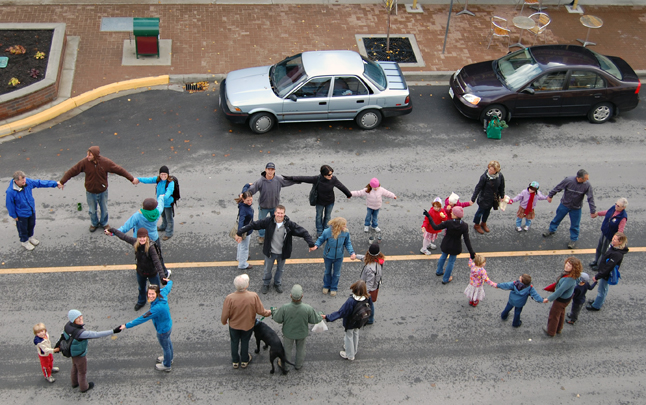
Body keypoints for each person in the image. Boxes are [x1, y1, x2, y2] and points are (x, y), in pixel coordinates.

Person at [235, 205, 315, 294]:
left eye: (282, 213)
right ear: (275, 213)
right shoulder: (268, 221)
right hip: (270, 252)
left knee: (280, 270)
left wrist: (311, 244)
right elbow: (254, 225)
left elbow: (303, 232)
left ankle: (277, 283)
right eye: (278, 213)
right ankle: (266, 284)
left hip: (282, 253)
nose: (280, 215)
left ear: (284, 214)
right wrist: (239, 232)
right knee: (267, 270)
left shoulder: (289, 225)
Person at [59, 146, 136, 232]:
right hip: (90, 192)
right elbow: (72, 171)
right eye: (87, 154)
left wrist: (131, 179)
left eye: (89, 155)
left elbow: (119, 170)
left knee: (104, 209)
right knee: (92, 210)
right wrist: (62, 182)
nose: (87, 156)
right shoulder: (84, 162)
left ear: (95, 156)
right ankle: (94, 223)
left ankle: (104, 223)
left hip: (103, 191)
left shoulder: (105, 162)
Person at [105, 227, 167, 311]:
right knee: (141, 288)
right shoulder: (135, 242)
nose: (142, 239)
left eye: (144, 237)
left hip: (152, 273)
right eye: (140, 237)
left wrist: (162, 276)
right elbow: (123, 236)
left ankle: (158, 304)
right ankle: (141, 301)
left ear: (147, 237)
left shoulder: (151, 248)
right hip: (140, 272)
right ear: (137, 238)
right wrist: (112, 230)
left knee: (156, 290)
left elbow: (157, 262)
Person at [119, 279, 174, 372]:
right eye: (149, 293)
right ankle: (169, 358)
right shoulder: (162, 293)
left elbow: (142, 318)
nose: (150, 296)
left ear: (156, 293)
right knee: (168, 343)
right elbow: (168, 287)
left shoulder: (157, 308)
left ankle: (167, 365)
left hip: (162, 330)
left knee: (165, 347)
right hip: (168, 326)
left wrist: (126, 325)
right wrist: (169, 281)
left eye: (152, 294)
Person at [284, 165, 352, 237]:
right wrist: (291, 178)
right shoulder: (317, 179)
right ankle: (319, 231)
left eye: (332, 173)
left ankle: (326, 230)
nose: (331, 176)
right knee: (319, 216)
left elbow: (341, 186)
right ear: (323, 175)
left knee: (327, 216)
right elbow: (303, 178)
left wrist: (348, 194)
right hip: (319, 202)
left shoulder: (333, 179)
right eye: (329, 174)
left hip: (330, 201)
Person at [221, 274, 272, 369]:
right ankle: (244, 360)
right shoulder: (253, 296)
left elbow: (225, 314)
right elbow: (261, 311)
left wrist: (224, 321)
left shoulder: (230, 298)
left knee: (234, 342)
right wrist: (269, 312)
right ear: (246, 285)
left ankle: (235, 361)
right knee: (245, 341)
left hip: (234, 325)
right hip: (248, 325)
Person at [64, 309, 121, 393]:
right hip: (80, 354)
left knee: (74, 367)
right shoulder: (80, 333)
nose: (80, 318)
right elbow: (96, 334)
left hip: (72, 352)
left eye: (80, 316)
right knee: (82, 372)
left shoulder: (68, 326)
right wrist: (113, 331)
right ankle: (84, 387)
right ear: (73, 320)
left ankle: (74, 383)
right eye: (77, 318)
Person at [271, 284, 323, 371]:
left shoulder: (285, 308)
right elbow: (315, 319)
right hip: (302, 333)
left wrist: (273, 311)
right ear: (302, 296)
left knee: (287, 350)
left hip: (288, 333)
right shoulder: (307, 308)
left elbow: (278, 318)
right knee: (301, 349)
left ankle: (286, 366)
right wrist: (320, 314)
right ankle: (298, 365)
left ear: (290, 295)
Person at [6, 170, 60, 250]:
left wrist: (55, 184)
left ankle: (30, 237)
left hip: (31, 210)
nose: (24, 181)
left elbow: (39, 183)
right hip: (21, 214)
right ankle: (24, 241)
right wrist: (14, 215)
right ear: (16, 181)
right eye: (22, 180)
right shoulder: (10, 191)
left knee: (31, 224)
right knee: (22, 229)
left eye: (24, 178)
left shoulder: (27, 182)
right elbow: (9, 204)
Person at [243, 162, 296, 244]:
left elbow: (289, 181)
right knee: (261, 222)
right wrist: (243, 194)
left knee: (276, 221)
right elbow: (251, 191)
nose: (270, 171)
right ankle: (262, 236)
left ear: (274, 170)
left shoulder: (278, 179)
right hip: (263, 207)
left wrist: (299, 180)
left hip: (275, 206)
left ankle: (274, 235)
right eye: (269, 169)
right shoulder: (260, 181)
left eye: (272, 169)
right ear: (265, 170)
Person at [542, 169, 597, 249]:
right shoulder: (568, 180)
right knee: (557, 218)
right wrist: (550, 196)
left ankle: (573, 239)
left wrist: (593, 211)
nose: (588, 179)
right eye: (586, 178)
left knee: (575, 225)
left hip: (576, 208)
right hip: (564, 205)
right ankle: (551, 230)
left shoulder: (587, 185)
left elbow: (590, 198)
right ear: (580, 178)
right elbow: (558, 187)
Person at [322, 280, 372, 361]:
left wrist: (327, 317)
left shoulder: (351, 301)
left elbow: (341, 313)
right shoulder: (368, 297)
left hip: (350, 322)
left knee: (349, 336)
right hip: (360, 321)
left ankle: (350, 354)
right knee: (356, 333)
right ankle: (354, 350)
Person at [424, 206, 476, 285]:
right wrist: (471, 252)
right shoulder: (464, 226)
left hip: (446, 244)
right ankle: (445, 279)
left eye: (452, 212)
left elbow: (435, 227)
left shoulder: (448, 223)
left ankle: (439, 271)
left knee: (443, 257)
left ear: (455, 215)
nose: (451, 213)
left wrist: (428, 216)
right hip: (455, 246)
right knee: (451, 262)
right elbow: (466, 240)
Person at [312, 217, 356, 297]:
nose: (345, 227)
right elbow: (320, 239)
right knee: (327, 272)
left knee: (336, 273)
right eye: (343, 225)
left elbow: (348, 243)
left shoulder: (345, 232)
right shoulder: (327, 232)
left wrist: (352, 252)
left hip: (339, 256)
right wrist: (316, 246)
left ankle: (333, 287)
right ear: (338, 226)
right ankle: (326, 285)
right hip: (328, 256)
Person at [587, 232, 629, 312]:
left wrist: (597, 276)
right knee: (604, 289)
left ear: (620, 242)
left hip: (606, 275)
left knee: (601, 290)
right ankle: (598, 301)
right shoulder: (615, 248)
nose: (612, 240)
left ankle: (596, 306)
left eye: (615, 240)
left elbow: (608, 267)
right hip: (606, 273)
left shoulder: (616, 254)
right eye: (613, 238)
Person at [543, 257, 582, 337]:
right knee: (561, 312)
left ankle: (551, 331)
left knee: (554, 315)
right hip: (567, 298)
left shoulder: (568, 280)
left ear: (573, 268)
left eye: (569, 265)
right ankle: (558, 328)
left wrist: (549, 299)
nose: (566, 266)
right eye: (567, 264)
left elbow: (559, 291)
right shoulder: (575, 276)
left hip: (561, 300)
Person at [136, 165, 176, 240]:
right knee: (163, 215)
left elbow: (169, 192)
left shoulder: (171, 182)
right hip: (160, 204)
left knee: (169, 218)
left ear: (168, 174)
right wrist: (138, 179)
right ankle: (163, 226)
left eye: (165, 174)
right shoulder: (158, 179)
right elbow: (148, 180)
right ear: (159, 174)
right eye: (161, 174)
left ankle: (169, 233)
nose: (163, 176)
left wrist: (163, 197)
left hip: (168, 204)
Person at [590, 198, 627, 270]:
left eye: (618, 206)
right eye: (616, 204)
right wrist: (598, 214)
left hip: (610, 235)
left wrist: (616, 239)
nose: (616, 206)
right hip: (604, 231)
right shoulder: (614, 208)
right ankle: (596, 261)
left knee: (604, 251)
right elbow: (607, 212)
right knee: (599, 247)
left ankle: (599, 265)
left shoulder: (622, 217)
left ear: (623, 207)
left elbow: (620, 230)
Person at [471, 160, 505, 234]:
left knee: (487, 212)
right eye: (489, 168)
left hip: (492, 199)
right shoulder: (484, 177)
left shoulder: (500, 176)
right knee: (480, 212)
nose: (489, 170)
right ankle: (477, 225)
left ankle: (483, 223)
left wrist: (502, 196)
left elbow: (502, 187)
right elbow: (478, 188)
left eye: (491, 170)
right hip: (483, 199)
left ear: (496, 170)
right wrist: (473, 199)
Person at [356, 243, 384, 324]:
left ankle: (369, 319)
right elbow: (365, 259)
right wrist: (356, 256)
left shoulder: (370, 268)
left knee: (367, 304)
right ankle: (370, 318)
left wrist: (365, 293)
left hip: (369, 289)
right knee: (369, 304)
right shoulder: (379, 260)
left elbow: (369, 283)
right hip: (375, 286)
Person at [235, 190, 254, 270]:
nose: (250, 202)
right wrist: (240, 233)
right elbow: (241, 221)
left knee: (241, 245)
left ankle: (240, 257)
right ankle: (243, 264)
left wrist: (247, 184)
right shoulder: (244, 209)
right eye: (248, 200)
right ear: (243, 199)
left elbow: (243, 191)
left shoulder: (241, 203)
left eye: (250, 199)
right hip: (245, 230)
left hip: (243, 230)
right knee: (244, 247)